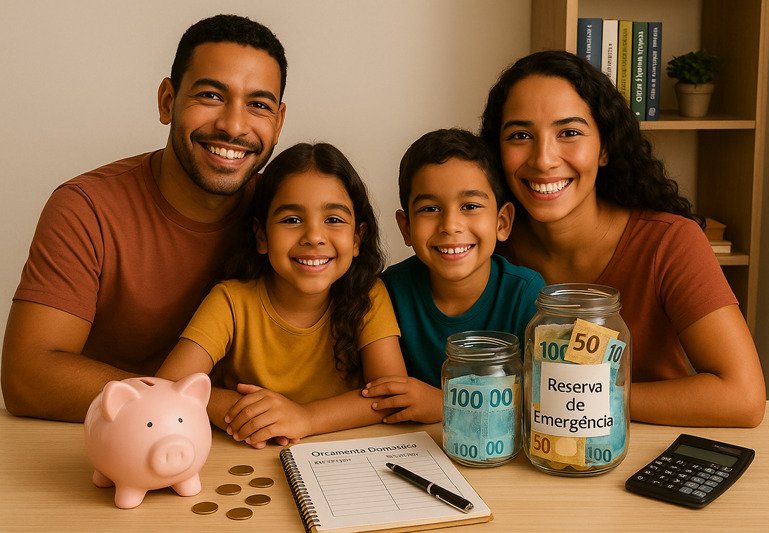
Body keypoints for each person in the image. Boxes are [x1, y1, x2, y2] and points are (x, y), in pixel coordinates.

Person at [2, 14, 288, 422]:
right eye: (210, 96)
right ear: (167, 101)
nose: (233, 126)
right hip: (108, 451)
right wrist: (201, 404)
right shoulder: (86, 208)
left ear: (278, 123)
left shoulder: (289, 218)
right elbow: (27, 378)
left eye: (258, 105)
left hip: (243, 450)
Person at [479, 50, 766, 427]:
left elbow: (742, 398)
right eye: (520, 135)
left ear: (606, 147)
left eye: (569, 132)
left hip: (649, 452)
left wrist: (572, 397)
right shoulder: (486, 245)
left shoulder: (670, 242)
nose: (544, 159)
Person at [157, 142, 408, 448]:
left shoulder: (368, 295)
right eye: (291, 220)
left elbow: (391, 394)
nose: (314, 237)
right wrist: (241, 411)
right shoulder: (230, 301)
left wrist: (305, 418)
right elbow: (166, 389)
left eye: (333, 220)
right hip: (241, 454)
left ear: (357, 238)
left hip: (339, 457)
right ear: (262, 235)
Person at [362, 128, 545, 424]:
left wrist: (447, 405)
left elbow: (544, 399)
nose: (450, 225)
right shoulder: (388, 292)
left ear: (502, 222)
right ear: (406, 227)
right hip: (415, 448)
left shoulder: (525, 294)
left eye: (470, 206)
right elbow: (386, 394)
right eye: (430, 208)